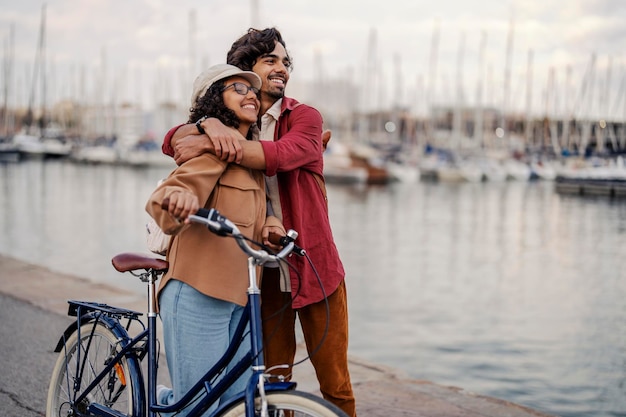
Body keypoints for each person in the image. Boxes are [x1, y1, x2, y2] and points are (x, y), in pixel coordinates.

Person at [161, 28, 356, 417]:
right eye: (271, 61)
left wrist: (209, 138)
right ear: (244, 71)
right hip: (261, 272)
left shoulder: (304, 117)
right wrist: (208, 128)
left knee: (335, 383)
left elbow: (285, 154)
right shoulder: (235, 123)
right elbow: (172, 140)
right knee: (272, 382)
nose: (282, 68)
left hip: (315, 266)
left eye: (286, 62)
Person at [146, 63, 285, 416]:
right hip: (198, 296)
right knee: (196, 410)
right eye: (238, 88)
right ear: (214, 100)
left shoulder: (253, 159)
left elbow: (247, 213)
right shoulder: (211, 151)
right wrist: (178, 202)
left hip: (242, 303)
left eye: (253, 90)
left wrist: (269, 223)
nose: (251, 94)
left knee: (236, 408)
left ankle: (165, 403)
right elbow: (164, 199)